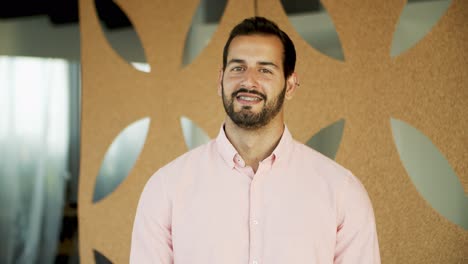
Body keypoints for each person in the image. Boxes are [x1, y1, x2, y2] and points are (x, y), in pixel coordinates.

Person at [130, 16, 380, 264]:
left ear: (290, 85)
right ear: (220, 80)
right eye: (238, 67)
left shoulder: (341, 192)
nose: (248, 81)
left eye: (265, 70)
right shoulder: (166, 189)